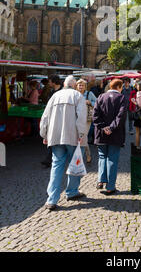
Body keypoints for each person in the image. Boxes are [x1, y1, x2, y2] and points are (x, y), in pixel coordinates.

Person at [39, 75, 88, 210]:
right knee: (75, 164)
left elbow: (45, 117)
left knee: (56, 165)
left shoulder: (54, 96)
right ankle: (71, 192)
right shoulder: (78, 96)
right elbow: (81, 118)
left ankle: (52, 199)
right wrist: (81, 134)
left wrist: (44, 134)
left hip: (55, 137)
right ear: (74, 85)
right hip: (72, 136)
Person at [93, 78, 127, 195]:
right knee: (112, 158)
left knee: (102, 156)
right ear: (119, 87)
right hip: (115, 133)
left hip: (101, 133)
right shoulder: (121, 98)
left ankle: (101, 180)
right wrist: (111, 128)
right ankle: (110, 186)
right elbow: (120, 116)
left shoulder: (101, 97)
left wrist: (103, 127)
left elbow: (95, 115)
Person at [41, 75, 62, 168]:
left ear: (54, 82)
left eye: (50, 82)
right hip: (51, 117)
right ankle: (49, 159)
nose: (49, 83)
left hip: (60, 118)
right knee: (51, 138)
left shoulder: (62, 92)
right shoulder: (51, 92)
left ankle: (49, 159)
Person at [76, 79, 97, 163]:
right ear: (76, 86)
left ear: (85, 86)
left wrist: (90, 102)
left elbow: (97, 102)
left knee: (83, 137)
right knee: (78, 136)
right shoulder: (74, 94)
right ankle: (81, 155)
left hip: (86, 119)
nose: (81, 87)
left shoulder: (89, 94)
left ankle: (87, 155)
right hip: (76, 118)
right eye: (79, 85)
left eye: (83, 85)